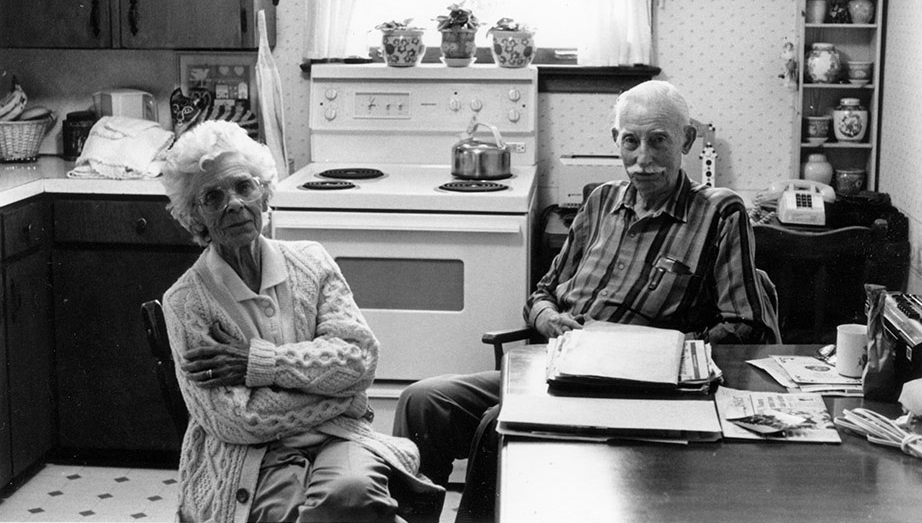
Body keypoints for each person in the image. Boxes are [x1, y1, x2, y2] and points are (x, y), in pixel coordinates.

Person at [393, 80, 780, 522]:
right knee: (422, 401)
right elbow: (542, 293)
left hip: (638, 390)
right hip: (553, 368)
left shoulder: (719, 212)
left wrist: (651, 351)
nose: (643, 159)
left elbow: (747, 326)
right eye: (631, 142)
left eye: (659, 142)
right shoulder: (600, 202)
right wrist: (548, 319)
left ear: (686, 141)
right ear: (616, 140)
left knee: (495, 425)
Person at [160, 121, 442, 523]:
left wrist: (259, 364)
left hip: (339, 437)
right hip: (250, 455)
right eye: (213, 196)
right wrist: (338, 396)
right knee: (281, 515)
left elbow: (358, 359)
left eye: (244, 187)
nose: (235, 204)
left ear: (265, 192)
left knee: (352, 496)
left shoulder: (312, 261)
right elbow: (236, 420)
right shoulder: (187, 302)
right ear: (196, 218)